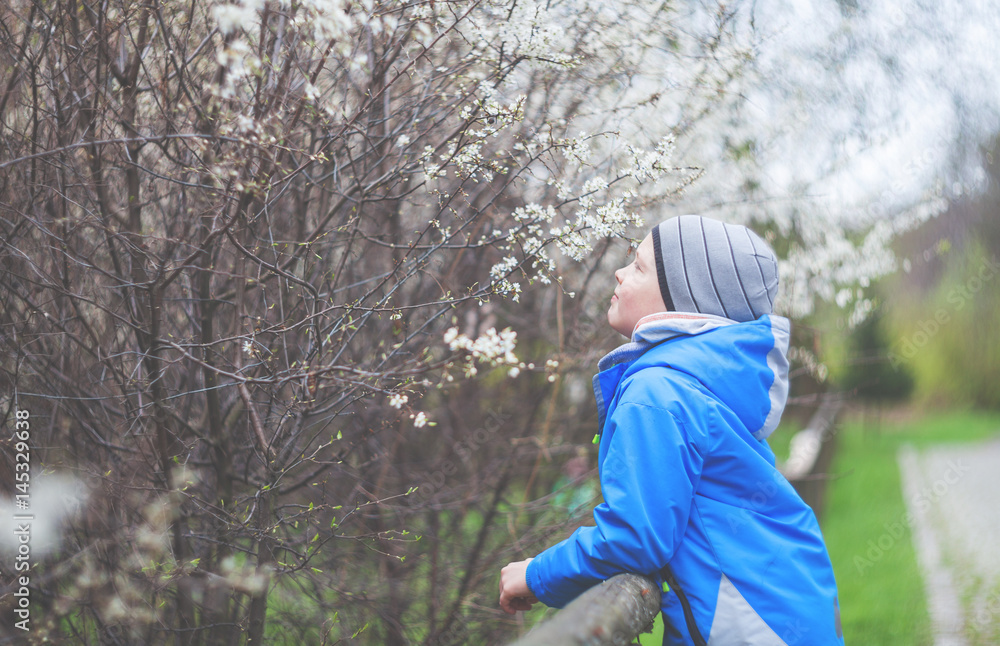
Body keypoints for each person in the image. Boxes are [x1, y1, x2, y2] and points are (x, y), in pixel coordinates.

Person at [498, 215, 843, 645]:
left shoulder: (658, 392)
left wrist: (535, 574)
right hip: (788, 601)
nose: (620, 274)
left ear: (683, 302)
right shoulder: (689, 383)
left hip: (755, 625)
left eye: (639, 267)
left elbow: (635, 537)